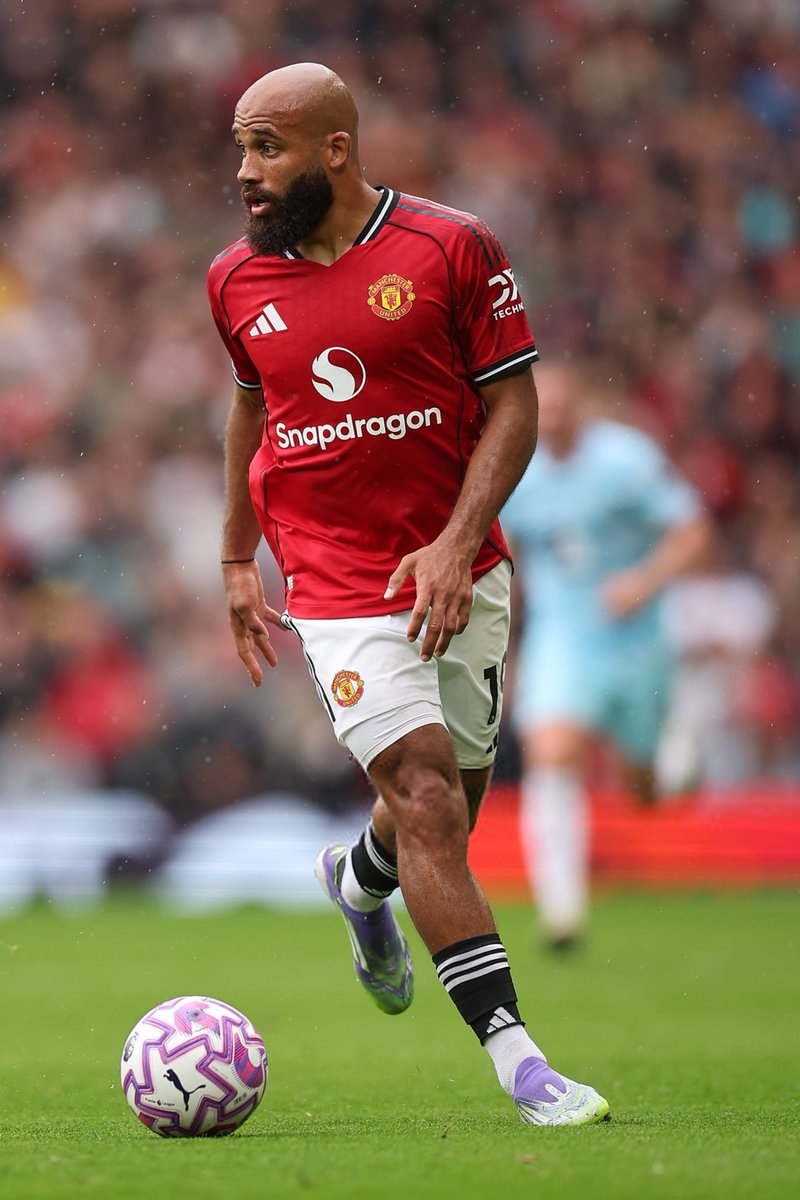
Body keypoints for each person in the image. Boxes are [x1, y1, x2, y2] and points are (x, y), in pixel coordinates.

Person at [207, 62, 608, 1127]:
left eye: (266, 147)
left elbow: (510, 405)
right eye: (240, 149)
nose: (246, 172)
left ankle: (357, 880)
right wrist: (237, 558)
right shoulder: (234, 281)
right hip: (333, 581)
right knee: (425, 794)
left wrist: (452, 539)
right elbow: (256, 408)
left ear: (334, 148)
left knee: (443, 817)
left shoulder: (448, 246)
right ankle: (519, 1061)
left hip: (457, 571)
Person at [502, 361, 711, 949]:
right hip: (564, 639)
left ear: (584, 403)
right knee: (551, 750)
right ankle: (562, 913)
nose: (555, 416)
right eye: (545, 405)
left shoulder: (626, 460)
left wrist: (643, 582)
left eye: (563, 403)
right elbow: (506, 552)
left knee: (642, 793)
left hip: (637, 641)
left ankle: (672, 765)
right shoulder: (519, 468)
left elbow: (693, 530)